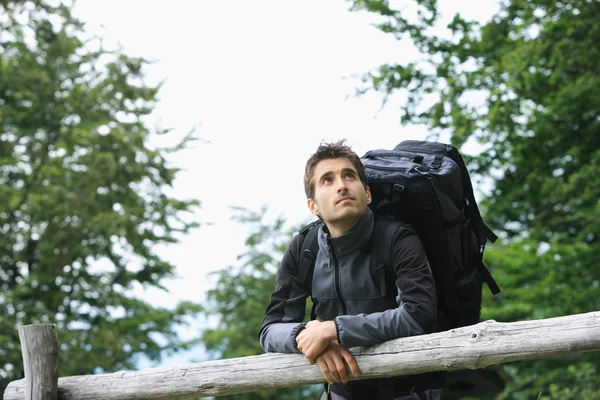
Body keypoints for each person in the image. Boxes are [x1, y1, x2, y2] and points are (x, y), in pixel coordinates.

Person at [259, 140, 441, 400]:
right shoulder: (304, 248)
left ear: (367, 194)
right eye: (327, 180)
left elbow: (418, 316)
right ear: (313, 206)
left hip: (407, 393)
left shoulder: (398, 238)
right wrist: (308, 337)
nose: (341, 185)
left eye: (349, 175)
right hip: (339, 395)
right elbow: (270, 330)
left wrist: (333, 329)